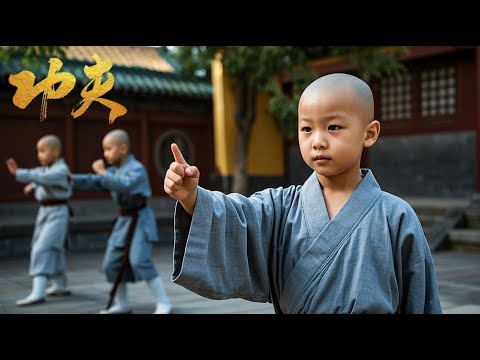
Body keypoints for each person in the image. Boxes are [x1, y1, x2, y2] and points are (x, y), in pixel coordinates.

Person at [164, 73, 443, 314]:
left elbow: (421, 299)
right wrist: (192, 198)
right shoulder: (280, 206)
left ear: (369, 133)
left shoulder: (396, 216)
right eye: (307, 128)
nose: (318, 141)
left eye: (333, 127)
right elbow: (239, 218)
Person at [71, 129, 172, 314]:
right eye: (104, 149)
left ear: (123, 148)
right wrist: (71, 179)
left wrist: (102, 173)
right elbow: (95, 181)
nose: (105, 153)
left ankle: (164, 302)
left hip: (140, 219)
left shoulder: (137, 169)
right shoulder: (112, 171)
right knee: (111, 263)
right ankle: (122, 304)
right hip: (123, 221)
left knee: (140, 260)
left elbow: (123, 184)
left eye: (109, 149)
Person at [5, 134, 72, 306]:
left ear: (56, 152)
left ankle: (38, 291)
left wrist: (19, 173)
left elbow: (45, 178)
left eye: (43, 151)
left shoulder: (61, 169)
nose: (39, 155)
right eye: (38, 151)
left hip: (57, 212)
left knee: (42, 248)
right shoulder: (47, 169)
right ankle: (60, 285)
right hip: (45, 212)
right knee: (54, 248)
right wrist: (32, 185)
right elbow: (39, 175)